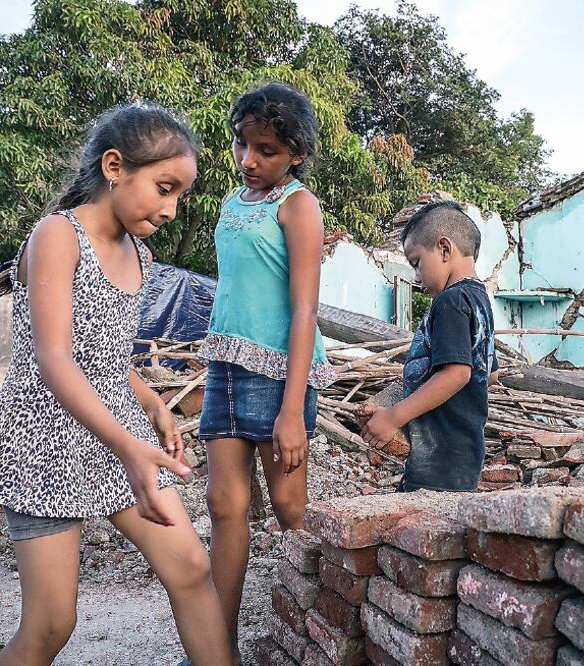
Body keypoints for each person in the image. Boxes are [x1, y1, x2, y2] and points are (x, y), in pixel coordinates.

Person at [0, 102, 232, 666]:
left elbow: (105, 356)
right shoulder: (58, 235)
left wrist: (151, 402)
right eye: (163, 188)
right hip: (43, 441)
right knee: (52, 626)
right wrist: (131, 445)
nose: (172, 208)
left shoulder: (141, 253)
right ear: (114, 166)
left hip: (116, 433)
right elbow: (56, 360)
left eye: (179, 194)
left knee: (191, 567)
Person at [198, 82, 335, 661]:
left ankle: (322, 631)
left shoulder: (298, 205)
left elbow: (305, 309)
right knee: (224, 506)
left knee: (289, 510)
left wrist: (292, 412)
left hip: (277, 374)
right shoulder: (233, 202)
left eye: (266, 150)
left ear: (296, 153)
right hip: (223, 368)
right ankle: (217, 650)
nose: (249, 160)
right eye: (241, 145)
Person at [360, 200, 499, 492]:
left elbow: (457, 374)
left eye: (417, 263)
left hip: (439, 454)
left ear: (445, 249)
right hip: (462, 453)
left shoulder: (450, 302)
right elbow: (490, 373)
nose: (416, 277)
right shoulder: (480, 301)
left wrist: (394, 416)